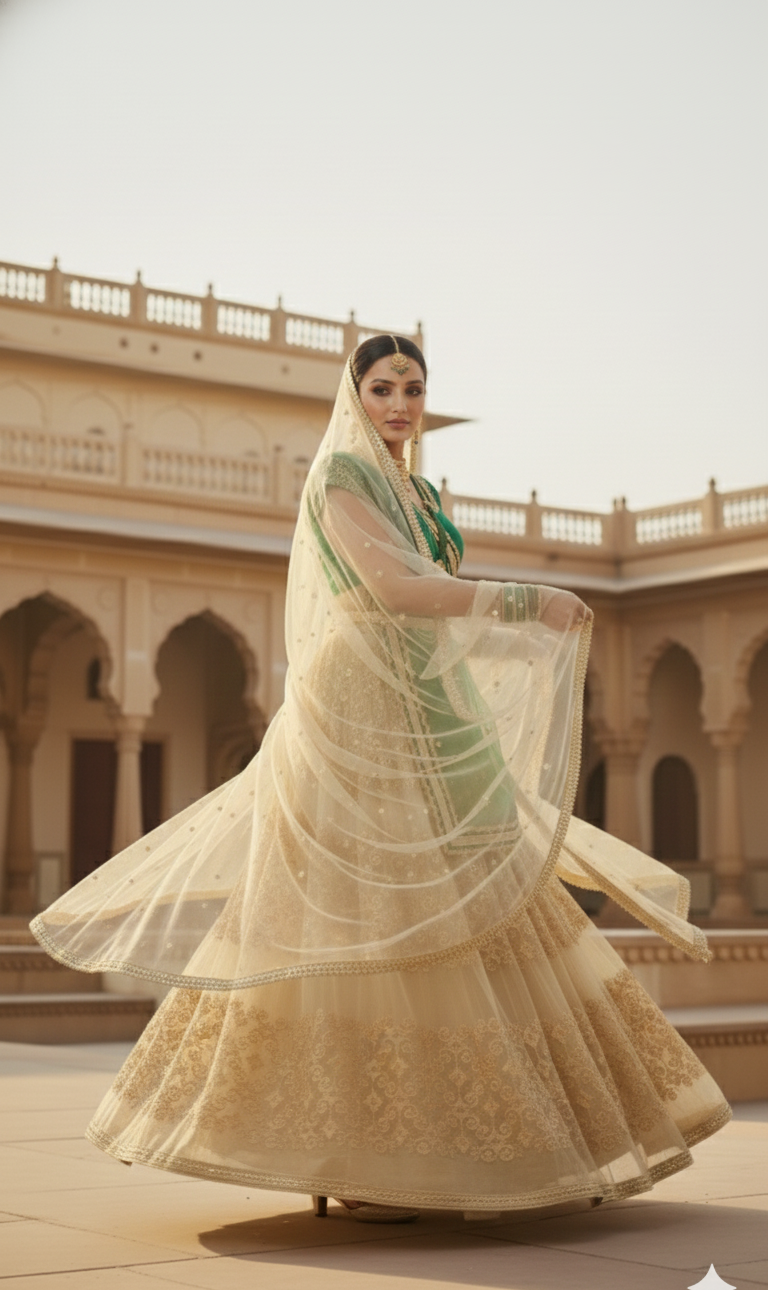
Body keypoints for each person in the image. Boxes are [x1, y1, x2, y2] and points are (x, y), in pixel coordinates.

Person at [31, 334, 730, 1223]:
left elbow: (431, 593)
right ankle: (360, 1159)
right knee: (361, 908)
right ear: (354, 395)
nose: (400, 403)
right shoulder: (340, 481)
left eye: (414, 387)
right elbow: (390, 591)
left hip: (430, 705)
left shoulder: (420, 492)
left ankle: (543, 1133)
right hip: (358, 713)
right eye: (383, 387)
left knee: (484, 887)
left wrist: (514, 620)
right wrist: (526, 602)